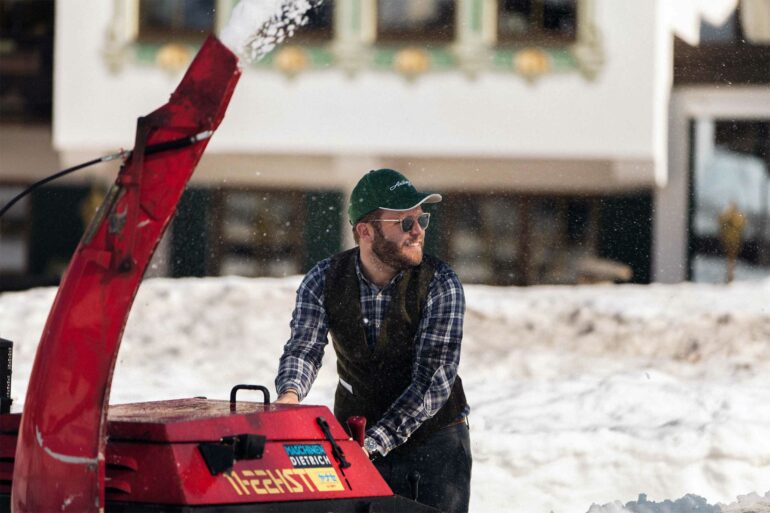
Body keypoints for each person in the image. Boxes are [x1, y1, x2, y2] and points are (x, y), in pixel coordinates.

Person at [275, 168, 472, 513]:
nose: (417, 232)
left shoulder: (441, 283)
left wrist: (373, 443)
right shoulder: (323, 279)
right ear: (365, 231)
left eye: (420, 219)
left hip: (434, 442)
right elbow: (304, 349)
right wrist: (288, 398)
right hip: (354, 437)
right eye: (404, 223)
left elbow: (432, 383)